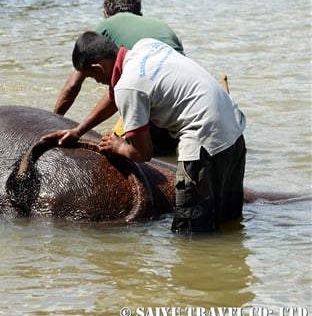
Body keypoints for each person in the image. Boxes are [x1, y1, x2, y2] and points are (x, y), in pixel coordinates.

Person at [42, 32, 247, 234]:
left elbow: (143, 153)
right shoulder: (146, 47)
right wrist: (78, 131)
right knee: (228, 222)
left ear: (98, 67)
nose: (96, 81)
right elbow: (116, 94)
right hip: (233, 133)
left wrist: (119, 146)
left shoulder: (129, 86)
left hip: (204, 141)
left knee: (191, 233)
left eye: (91, 76)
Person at [53, 0, 184, 155]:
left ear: (106, 13)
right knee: (166, 159)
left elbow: (74, 84)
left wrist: (54, 120)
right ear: (139, 13)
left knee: (118, 153)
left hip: (147, 99)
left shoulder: (106, 26)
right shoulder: (161, 25)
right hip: (178, 105)